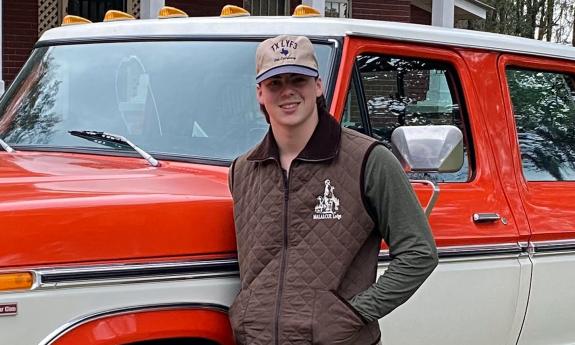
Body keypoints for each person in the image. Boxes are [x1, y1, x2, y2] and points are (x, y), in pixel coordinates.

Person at [228, 35, 438, 345]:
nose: (287, 91)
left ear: (317, 86)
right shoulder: (243, 170)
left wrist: (353, 314)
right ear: (260, 93)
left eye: (298, 79)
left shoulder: (369, 160)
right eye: (274, 83)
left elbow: (420, 253)